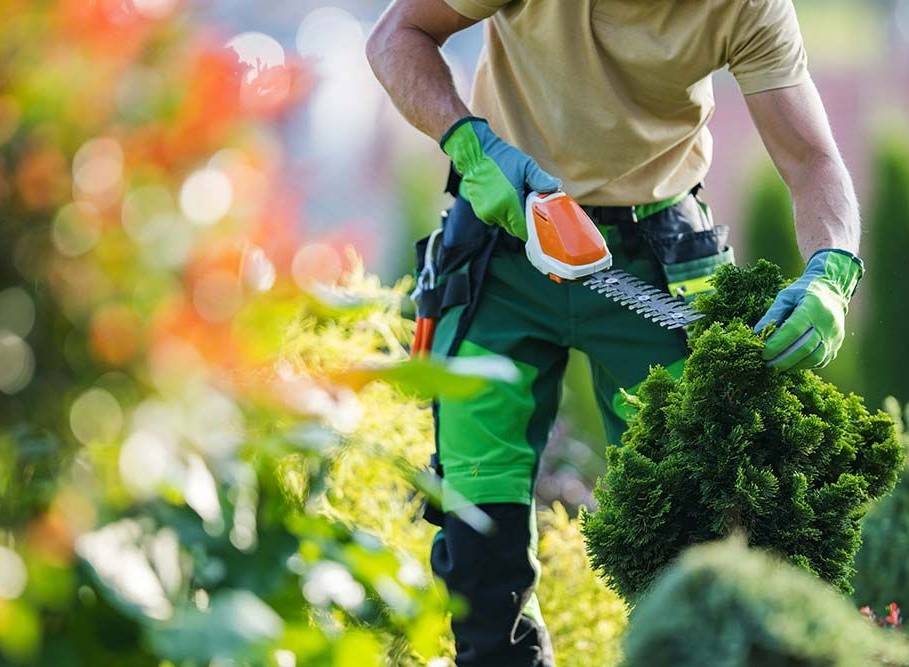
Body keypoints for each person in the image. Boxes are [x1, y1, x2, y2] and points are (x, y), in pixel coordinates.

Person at [366, 1, 865, 665]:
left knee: (690, 547)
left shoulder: (746, 5)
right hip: (507, 238)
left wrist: (832, 271)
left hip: (659, 254)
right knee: (479, 547)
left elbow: (812, 160)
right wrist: (469, 143)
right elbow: (397, 35)